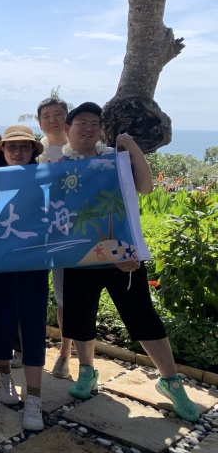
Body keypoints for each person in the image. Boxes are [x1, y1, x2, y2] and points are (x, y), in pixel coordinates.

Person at [61, 102, 200, 422]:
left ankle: (171, 381)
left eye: (94, 123)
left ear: (101, 129)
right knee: (81, 318)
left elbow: (146, 187)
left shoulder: (114, 160)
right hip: (80, 258)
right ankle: (87, 372)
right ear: (68, 129)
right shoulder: (58, 166)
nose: (88, 128)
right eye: (81, 122)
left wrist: (133, 149)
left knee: (142, 317)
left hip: (124, 257)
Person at [0, 125, 48, 432]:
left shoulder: (46, 179)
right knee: (0, 320)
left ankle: (34, 398)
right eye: (12, 147)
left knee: (33, 326)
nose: (18, 152)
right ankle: (5, 377)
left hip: (35, 265)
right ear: (3, 151)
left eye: (25, 147)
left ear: (34, 151)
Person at [35, 96, 73, 378]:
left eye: (58, 114)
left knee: (65, 296)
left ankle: (65, 352)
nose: (53, 120)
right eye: (46, 116)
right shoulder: (35, 152)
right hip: (37, 232)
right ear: (40, 123)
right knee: (33, 291)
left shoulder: (83, 149)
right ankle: (25, 347)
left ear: (66, 118)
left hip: (69, 232)